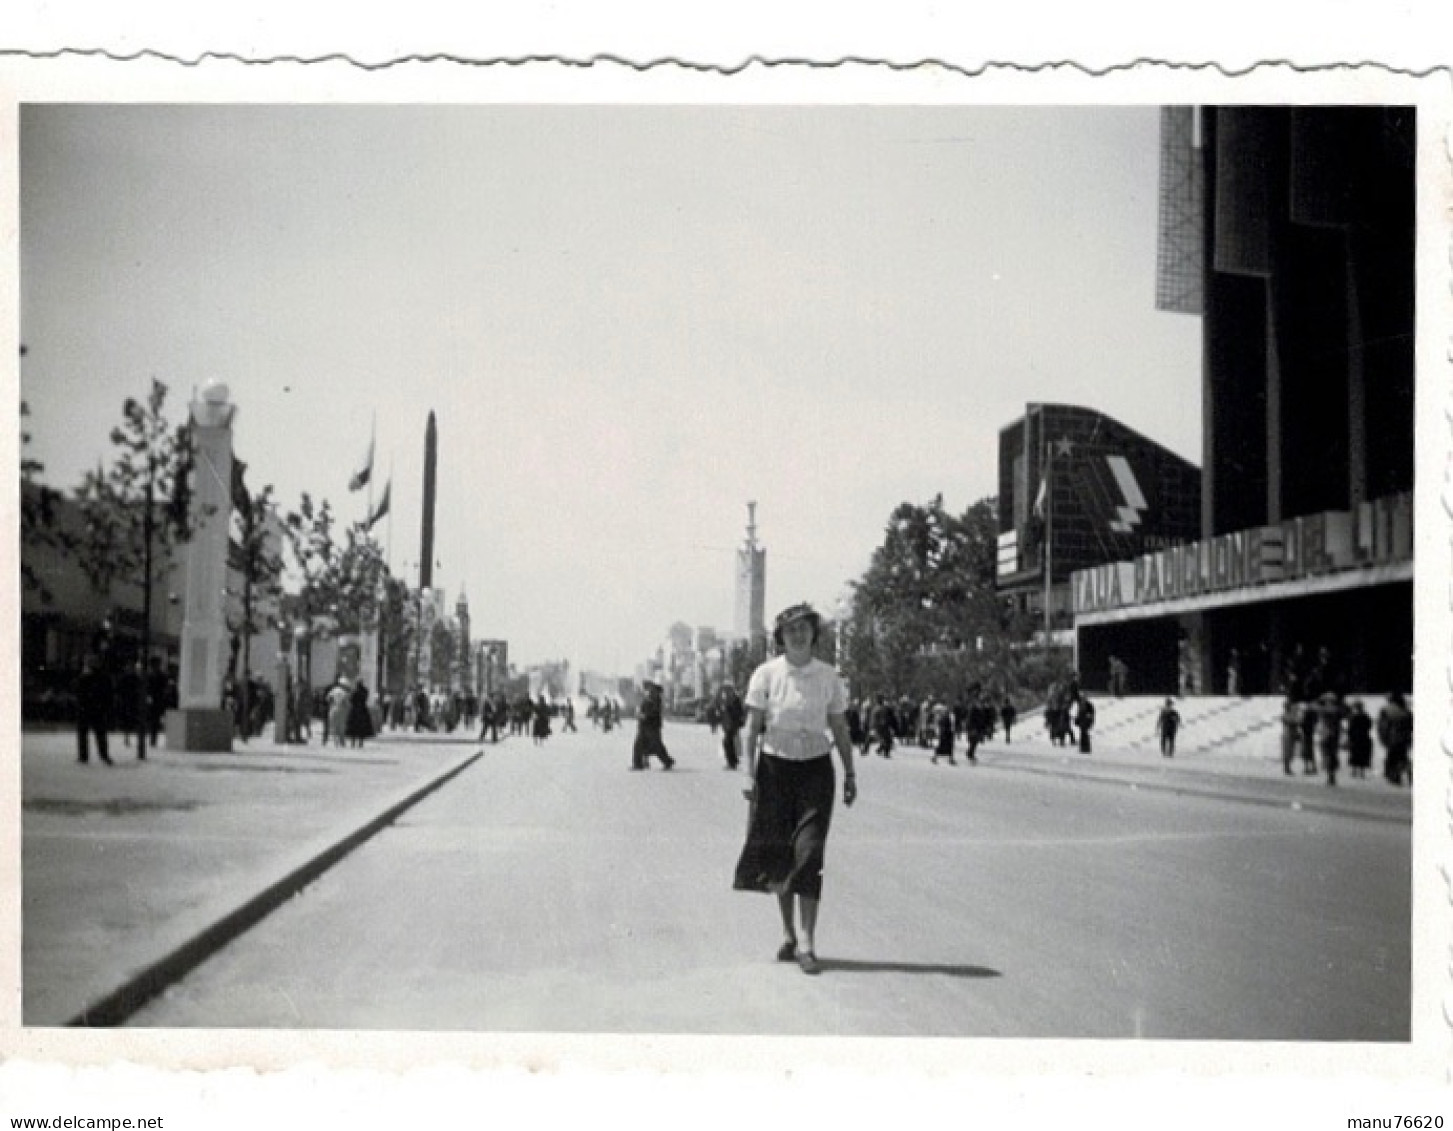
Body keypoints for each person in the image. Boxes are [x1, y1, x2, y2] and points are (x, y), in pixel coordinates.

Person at [733, 603, 856, 976]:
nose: (798, 635)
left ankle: (807, 942)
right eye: (791, 630)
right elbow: (751, 729)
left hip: (816, 772)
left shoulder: (828, 677)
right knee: (781, 857)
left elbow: (839, 728)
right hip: (774, 772)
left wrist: (850, 772)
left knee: (810, 853)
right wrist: (747, 774)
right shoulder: (766, 675)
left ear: (814, 634)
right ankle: (788, 934)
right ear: (781, 637)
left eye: (804, 629)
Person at [74, 653, 114, 765]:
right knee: (100, 733)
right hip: (97, 709)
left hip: (86, 709)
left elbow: (79, 692)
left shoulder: (84, 677)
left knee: (84, 733)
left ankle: (84, 756)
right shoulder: (103, 677)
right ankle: (103, 754)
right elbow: (108, 694)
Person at [631, 681, 673, 769]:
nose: (647, 690)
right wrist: (640, 714)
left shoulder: (656, 699)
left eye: (648, 688)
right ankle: (637, 764)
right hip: (644, 726)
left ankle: (667, 761)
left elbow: (654, 713)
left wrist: (644, 716)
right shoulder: (649, 698)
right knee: (639, 745)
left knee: (656, 745)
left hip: (651, 726)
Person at [1376, 692, 1412, 786]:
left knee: (1392, 758)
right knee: (1402, 757)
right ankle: (1409, 772)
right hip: (1405, 738)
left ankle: (1395, 776)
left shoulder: (1386, 710)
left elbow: (1383, 726)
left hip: (1393, 737)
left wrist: (1383, 738)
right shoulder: (1406, 710)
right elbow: (1411, 725)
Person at [718, 682, 746, 770]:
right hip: (729, 724)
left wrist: (727, 708)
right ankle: (733, 761)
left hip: (733, 724)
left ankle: (732, 762)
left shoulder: (734, 699)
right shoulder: (729, 698)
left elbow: (738, 712)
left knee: (727, 742)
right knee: (729, 742)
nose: (724, 692)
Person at [1345, 699, 1373, 780]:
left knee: (1354, 754)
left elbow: (1350, 728)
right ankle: (1361, 772)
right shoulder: (1366, 716)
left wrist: (1349, 736)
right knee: (1363, 755)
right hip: (1364, 737)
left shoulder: (1353, 717)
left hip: (1355, 738)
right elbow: (1369, 726)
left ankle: (1354, 771)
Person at [345, 680, 374, 748]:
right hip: (363, 710)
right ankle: (361, 742)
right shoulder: (365, 691)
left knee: (353, 727)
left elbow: (351, 700)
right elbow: (366, 698)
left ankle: (353, 742)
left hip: (354, 710)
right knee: (362, 727)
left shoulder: (354, 692)